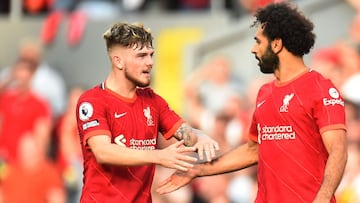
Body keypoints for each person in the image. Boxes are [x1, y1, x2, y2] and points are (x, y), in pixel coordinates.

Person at [156, 2, 348, 202]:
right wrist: (198, 169)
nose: (253, 49)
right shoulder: (265, 92)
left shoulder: (320, 88)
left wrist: (323, 197)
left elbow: (338, 149)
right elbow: (253, 149)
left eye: (258, 41)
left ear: (276, 44)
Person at [75, 22, 220, 202]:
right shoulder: (92, 101)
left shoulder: (153, 101)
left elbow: (186, 134)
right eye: (141, 56)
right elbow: (103, 152)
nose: (150, 62)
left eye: (151, 55)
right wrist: (158, 156)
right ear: (118, 61)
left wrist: (200, 137)